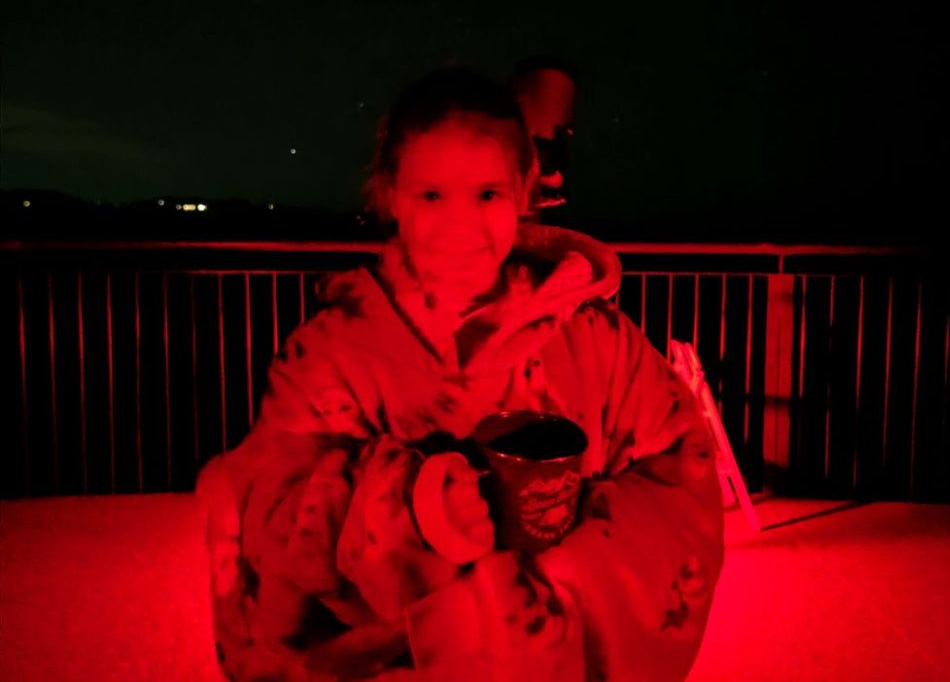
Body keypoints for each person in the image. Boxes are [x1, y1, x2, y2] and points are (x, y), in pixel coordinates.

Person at [196, 66, 724, 681]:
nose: (460, 227)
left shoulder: (595, 341)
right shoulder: (332, 354)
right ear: (391, 196)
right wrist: (405, 510)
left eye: (488, 195)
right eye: (431, 195)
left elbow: (681, 471)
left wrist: (559, 573)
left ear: (525, 189)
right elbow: (269, 516)